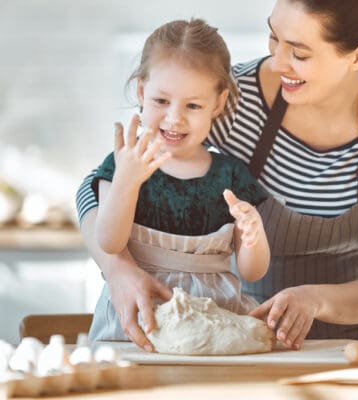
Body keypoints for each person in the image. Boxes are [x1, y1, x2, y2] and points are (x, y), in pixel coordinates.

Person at [77, 0, 358, 351]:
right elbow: (99, 186)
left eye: (299, 53)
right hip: (248, 335)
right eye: (274, 37)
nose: (278, 60)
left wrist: (313, 299)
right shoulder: (234, 99)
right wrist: (118, 270)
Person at [87, 18, 270, 344]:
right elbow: (109, 242)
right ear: (142, 92)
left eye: (193, 105)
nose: (174, 118)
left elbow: (253, 272)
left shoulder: (231, 174)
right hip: (137, 323)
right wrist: (126, 182)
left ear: (218, 103)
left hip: (213, 325)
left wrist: (254, 234)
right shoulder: (122, 163)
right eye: (161, 101)